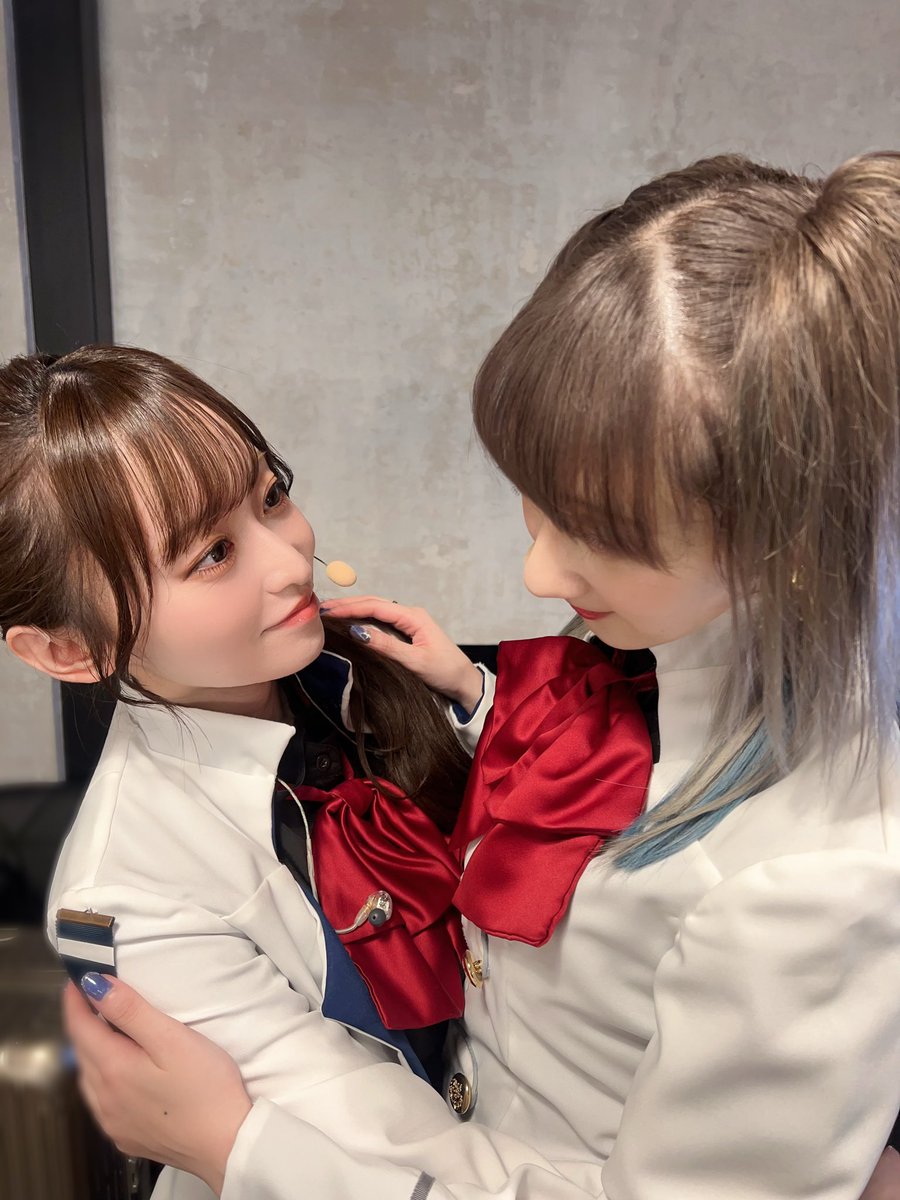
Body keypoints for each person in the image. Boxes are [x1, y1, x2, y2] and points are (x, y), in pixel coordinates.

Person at [60, 152, 900, 1199]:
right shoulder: (645, 663)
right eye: (536, 501)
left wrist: (243, 1149)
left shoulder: (813, 883)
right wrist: (474, 696)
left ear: (784, 540)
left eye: (602, 533)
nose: (539, 575)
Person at [0, 344, 494, 1194]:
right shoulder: (131, 897)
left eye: (272, 496)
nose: (291, 561)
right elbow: (395, 1161)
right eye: (213, 555)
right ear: (69, 650)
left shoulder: (361, 671)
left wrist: (472, 699)